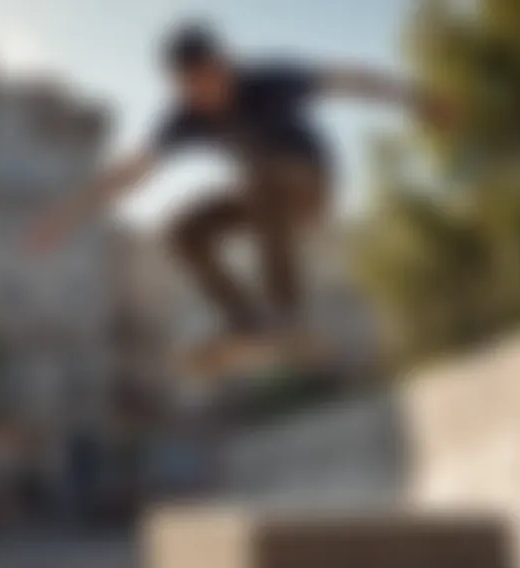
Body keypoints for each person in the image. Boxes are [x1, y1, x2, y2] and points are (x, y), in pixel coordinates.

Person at [33, 23, 452, 345]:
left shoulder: (270, 80)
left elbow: (348, 81)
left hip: (310, 184)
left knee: (260, 175)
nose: (206, 94)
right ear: (180, 86)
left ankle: (288, 312)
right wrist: (68, 215)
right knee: (182, 232)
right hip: (261, 199)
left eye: (210, 78)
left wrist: (415, 98)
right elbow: (132, 171)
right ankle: (245, 320)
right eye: (192, 87)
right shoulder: (185, 117)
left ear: (224, 64)